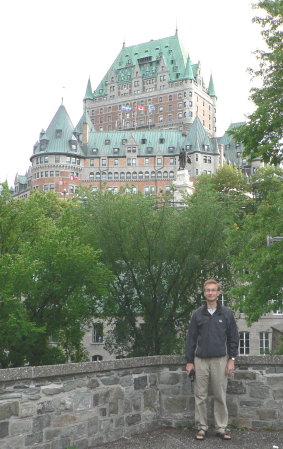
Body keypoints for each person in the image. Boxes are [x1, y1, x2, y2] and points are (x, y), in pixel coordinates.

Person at [185, 279, 239, 441]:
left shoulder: (226, 313)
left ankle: (221, 427)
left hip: (221, 359)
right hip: (200, 360)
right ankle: (202, 427)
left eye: (213, 290)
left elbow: (233, 338)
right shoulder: (197, 314)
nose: (210, 292)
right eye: (207, 290)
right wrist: (189, 361)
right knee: (200, 395)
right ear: (204, 293)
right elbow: (191, 339)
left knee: (219, 394)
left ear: (218, 293)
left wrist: (232, 359)